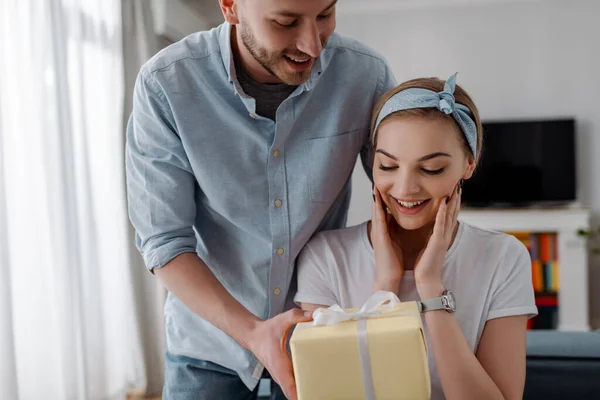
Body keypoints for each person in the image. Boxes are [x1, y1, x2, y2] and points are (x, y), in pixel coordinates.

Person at [125, 0, 396, 398]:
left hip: (321, 338)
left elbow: (399, 196)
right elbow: (164, 242)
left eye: (325, 15)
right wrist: (253, 333)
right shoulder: (165, 85)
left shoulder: (365, 75)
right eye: (286, 22)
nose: (313, 46)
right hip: (208, 348)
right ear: (231, 8)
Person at [295, 73, 538, 400]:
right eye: (388, 166)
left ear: (469, 164)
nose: (406, 188)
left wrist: (430, 288)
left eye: (432, 169)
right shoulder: (325, 257)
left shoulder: (505, 258)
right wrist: (386, 287)